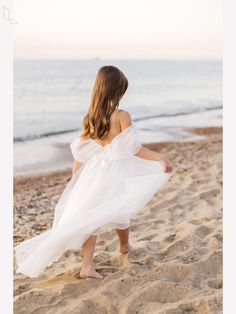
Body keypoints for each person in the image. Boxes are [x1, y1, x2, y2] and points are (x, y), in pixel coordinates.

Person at [14, 65, 174, 279]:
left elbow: (80, 154)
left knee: (97, 213)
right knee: (116, 208)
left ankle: (111, 253)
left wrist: (76, 180)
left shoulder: (91, 117)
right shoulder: (121, 115)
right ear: (116, 91)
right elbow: (133, 148)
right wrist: (159, 157)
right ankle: (113, 252)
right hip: (114, 173)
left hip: (95, 173)